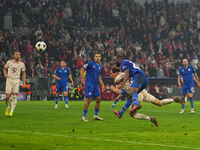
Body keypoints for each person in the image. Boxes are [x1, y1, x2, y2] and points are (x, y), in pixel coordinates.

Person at [80, 52, 105, 122]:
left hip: (95, 85)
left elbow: (99, 76)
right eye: (96, 56)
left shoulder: (100, 66)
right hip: (89, 84)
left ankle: (96, 115)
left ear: (100, 58)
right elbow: (82, 70)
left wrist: (102, 84)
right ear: (94, 57)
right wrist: (82, 80)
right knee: (89, 100)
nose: (97, 58)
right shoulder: (90, 63)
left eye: (99, 57)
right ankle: (84, 116)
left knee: (98, 99)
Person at [3, 51, 26, 117]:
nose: (17, 56)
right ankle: (7, 107)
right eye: (16, 54)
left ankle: (11, 111)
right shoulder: (9, 62)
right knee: (7, 97)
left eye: (18, 55)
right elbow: (4, 68)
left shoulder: (22, 64)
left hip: (16, 80)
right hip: (9, 79)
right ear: (13, 55)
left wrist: (24, 82)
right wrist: (5, 74)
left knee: (15, 96)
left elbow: (23, 73)